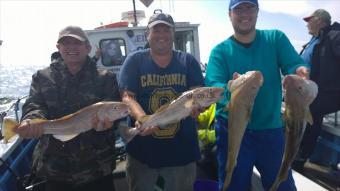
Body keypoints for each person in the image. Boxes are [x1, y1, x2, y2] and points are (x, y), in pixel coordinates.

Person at [205, 0, 310, 190]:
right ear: (230, 14)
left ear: (257, 11)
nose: (244, 13)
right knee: (232, 184)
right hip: (232, 130)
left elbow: (294, 64)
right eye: (239, 9)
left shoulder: (275, 39)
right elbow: (214, 87)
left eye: (249, 7)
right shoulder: (219, 52)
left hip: (270, 128)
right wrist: (232, 88)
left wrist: (299, 72)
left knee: (283, 185)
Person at [14, 25, 120, 191]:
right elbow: (35, 105)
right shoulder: (42, 77)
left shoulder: (105, 77)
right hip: (54, 168)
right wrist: (31, 120)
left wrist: (108, 124)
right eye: (66, 43)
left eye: (77, 43)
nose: (71, 47)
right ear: (58, 47)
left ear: (87, 47)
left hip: (96, 167)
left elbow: (113, 110)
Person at [118, 12, 204, 191]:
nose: (162, 35)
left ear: (173, 33)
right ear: (147, 34)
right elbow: (127, 97)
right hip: (142, 152)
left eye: (167, 30)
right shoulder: (134, 61)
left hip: (182, 152)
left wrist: (200, 108)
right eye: (156, 30)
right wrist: (142, 118)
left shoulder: (188, 61)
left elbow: (198, 97)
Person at [294, 9, 340, 170]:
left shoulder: (334, 36)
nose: (307, 23)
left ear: (319, 20)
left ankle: (301, 156)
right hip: (307, 91)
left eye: (309, 20)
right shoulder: (313, 40)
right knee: (291, 109)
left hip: (329, 93)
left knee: (312, 109)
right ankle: (290, 147)